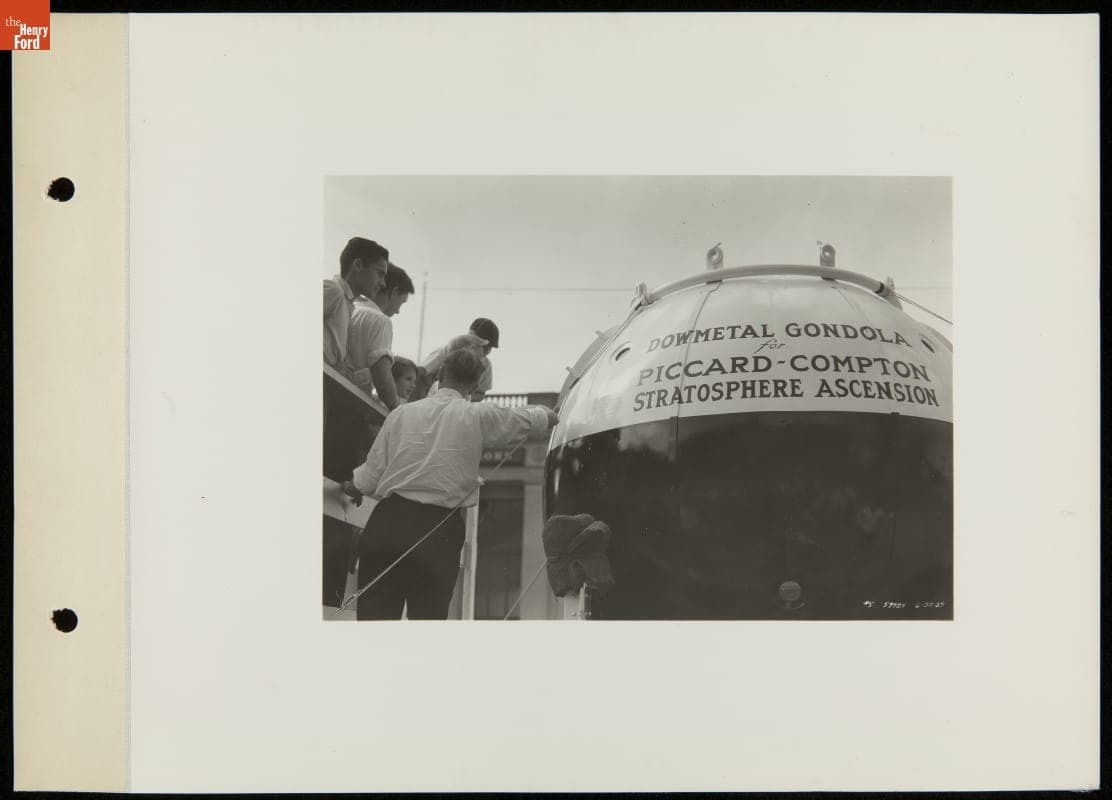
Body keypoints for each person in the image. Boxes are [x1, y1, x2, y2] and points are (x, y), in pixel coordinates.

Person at [342, 349, 559, 620]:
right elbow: (533, 418)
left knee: (375, 624)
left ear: (441, 374)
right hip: (438, 530)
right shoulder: (477, 415)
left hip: (389, 523)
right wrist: (549, 414)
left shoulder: (401, 414)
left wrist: (349, 487)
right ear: (475, 385)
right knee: (428, 623)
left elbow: (367, 477)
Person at [345, 262, 415, 409]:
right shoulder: (381, 320)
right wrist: (396, 411)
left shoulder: (352, 307)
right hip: (353, 403)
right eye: (401, 302)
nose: (398, 311)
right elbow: (382, 376)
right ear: (394, 292)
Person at [323, 237, 389, 369]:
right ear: (358, 265)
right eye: (379, 274)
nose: (383, 283)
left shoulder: (348, 304)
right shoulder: (334, 291)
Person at [420, 317, 500, 401]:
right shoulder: (443, 353)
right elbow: (418, 376)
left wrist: (461, 396)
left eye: (489, 347)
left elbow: (481, 394)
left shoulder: (486, 365)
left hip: (460, 409)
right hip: (430, 403)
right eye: (483, 345)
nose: (486, 350)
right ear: (470, 337)